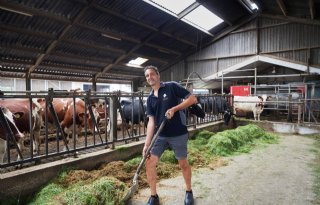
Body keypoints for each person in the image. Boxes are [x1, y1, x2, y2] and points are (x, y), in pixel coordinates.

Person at [143, 65, 197, 205]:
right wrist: (147, 144)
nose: (150, 77)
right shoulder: (149, 99)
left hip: (178, 133)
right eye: (147, 76)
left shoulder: (171, 87)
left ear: (158, 75)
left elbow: (192, 99)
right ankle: (154, 196)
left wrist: (174, 108)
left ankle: (189, 191)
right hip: (159, 135)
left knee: (183, 163)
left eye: (152, 74)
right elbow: (151, 122)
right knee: (149, 162)